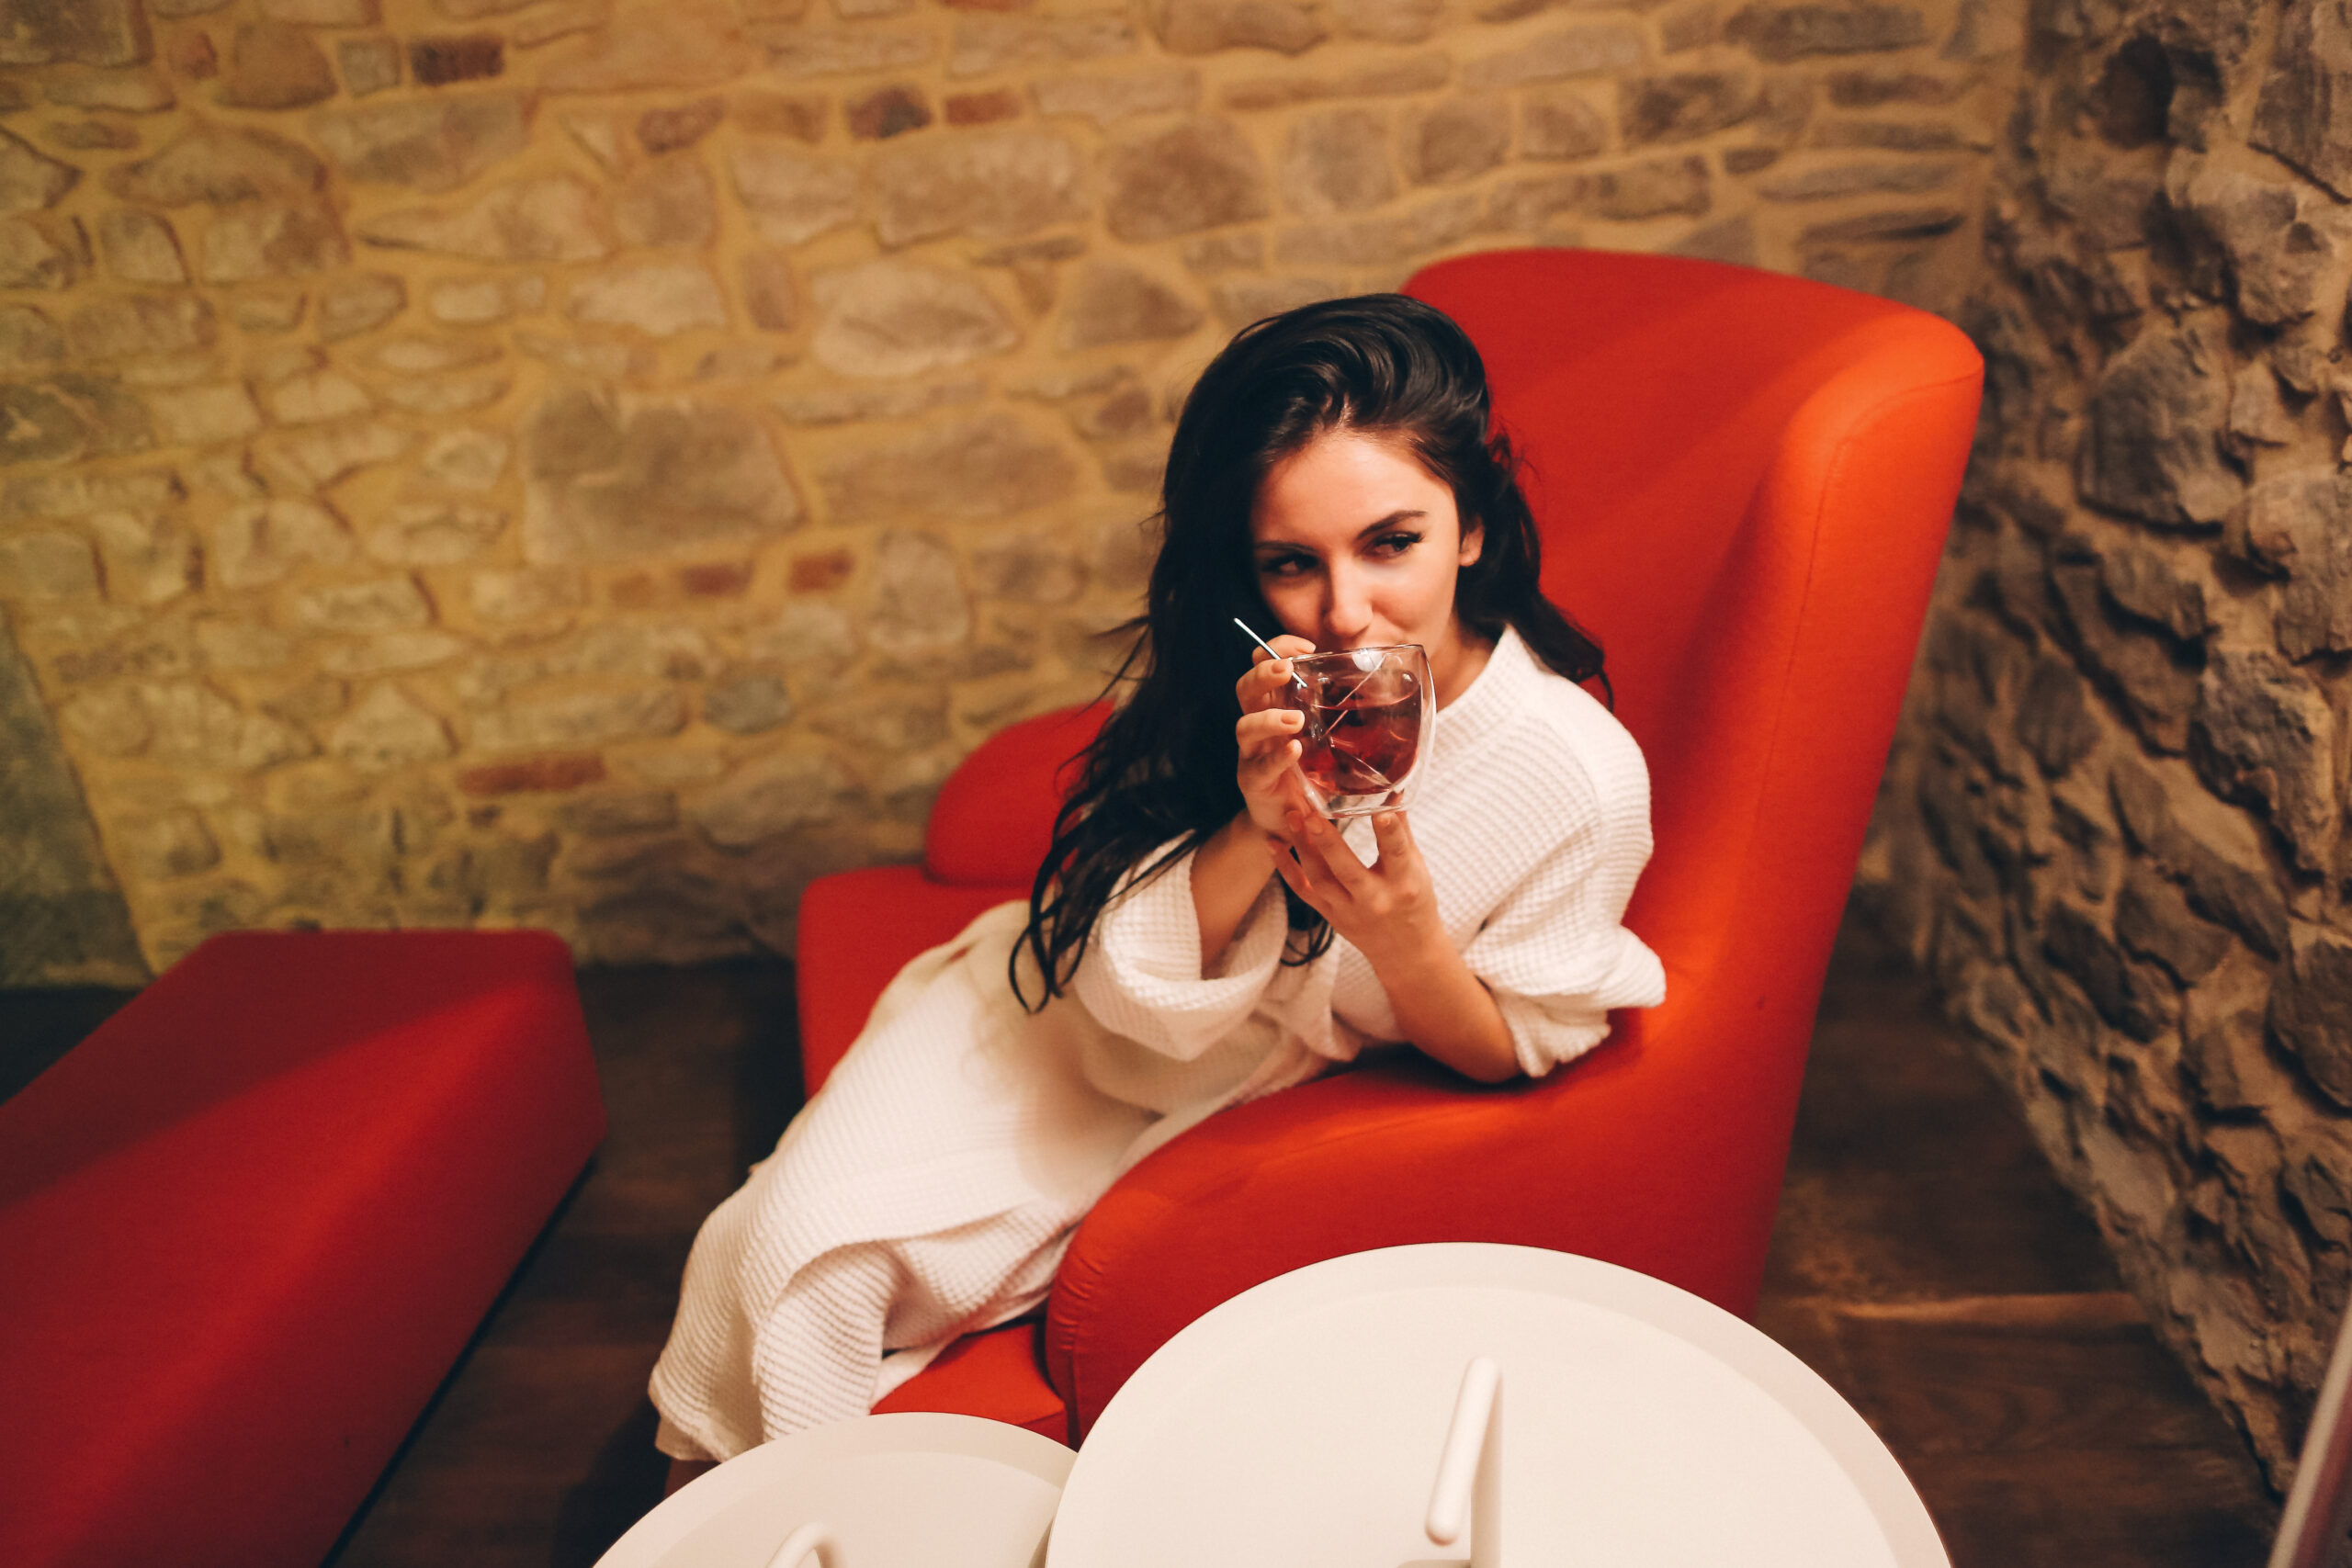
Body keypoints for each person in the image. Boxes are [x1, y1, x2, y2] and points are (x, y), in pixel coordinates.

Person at [649, 294, 1666, 1484]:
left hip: (1230, 1094)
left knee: (813, 1259)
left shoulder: (1577, 778)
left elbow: (1514, 1051)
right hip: (1067, 1015)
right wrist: (1253, 820)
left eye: (1392, 542)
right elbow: (1114, 975)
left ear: (1473, 528)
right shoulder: (1256, 682)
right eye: (1293, 563)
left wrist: (1404, 942)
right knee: (774, 1252)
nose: (1345, 609)